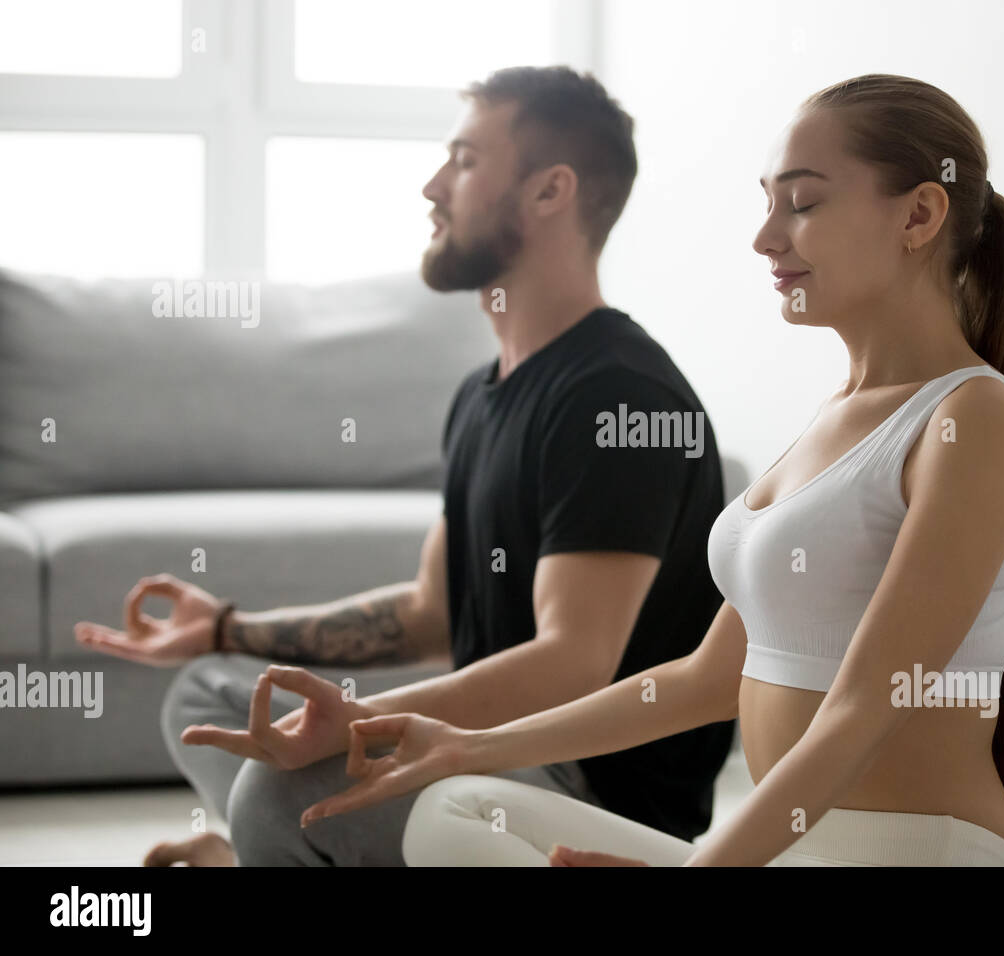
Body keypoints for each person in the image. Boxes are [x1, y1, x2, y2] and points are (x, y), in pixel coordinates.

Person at [261, 73, 1004, 867]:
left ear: (921, 214)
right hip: (789, 854)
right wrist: (469, 744)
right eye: (765, 204)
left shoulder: (972, 418)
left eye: (801, 203)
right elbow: (704, 678)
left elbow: (868, 703)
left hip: (914, 858)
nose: (766, 238)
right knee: (455, 807)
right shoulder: (831, 422)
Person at [75, 65, 734, 866]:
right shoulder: (482, 394)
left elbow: (573, 663)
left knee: (286, 787)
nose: (431, 186)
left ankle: (249, 850)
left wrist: (355, 721)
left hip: (591, 788)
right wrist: (223, 626)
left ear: (549, 191)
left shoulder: (620, 396)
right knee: (212, 691)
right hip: (498, 748)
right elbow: (430, 610)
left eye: (462, 160)